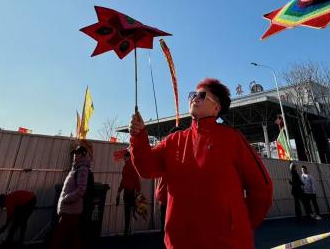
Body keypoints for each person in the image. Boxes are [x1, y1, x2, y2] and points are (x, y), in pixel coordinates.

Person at [129, 77, 273, 249]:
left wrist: (239, 224)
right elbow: (146, 168)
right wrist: (139, 137)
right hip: (180, 243)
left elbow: (262, 188)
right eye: (193, 95)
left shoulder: (233, 139)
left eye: (202, 95)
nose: (194, 98)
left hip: (227, 244)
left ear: (216, 108)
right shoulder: (174, 140)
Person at [50, 144, 92, 249]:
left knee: (58, 238)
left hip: (70, 210)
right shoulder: (75, 169)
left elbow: (81, 190)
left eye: (77, 154)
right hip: (70, 210)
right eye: (74, 154)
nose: (74, 156)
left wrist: (66, 199)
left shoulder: (82, 169)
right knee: (73, 237)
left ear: (83, 155)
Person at [154, 126, 184, 233]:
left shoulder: (185, 152)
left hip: (179, 198)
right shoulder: (164, 150)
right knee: (166, 228)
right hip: (166, 196)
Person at [115, 150, 140, 236]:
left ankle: (127, 231)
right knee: (130, 212)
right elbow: (126, 180)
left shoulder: (129, 166)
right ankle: (128, 231)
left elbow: (134, 179)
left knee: (128, 212)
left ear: (129, 157)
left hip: (130, 192)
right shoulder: (127, 166)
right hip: (130, 192)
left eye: (125, 157)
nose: (124, 158)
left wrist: (119, 190)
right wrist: (119, 190)